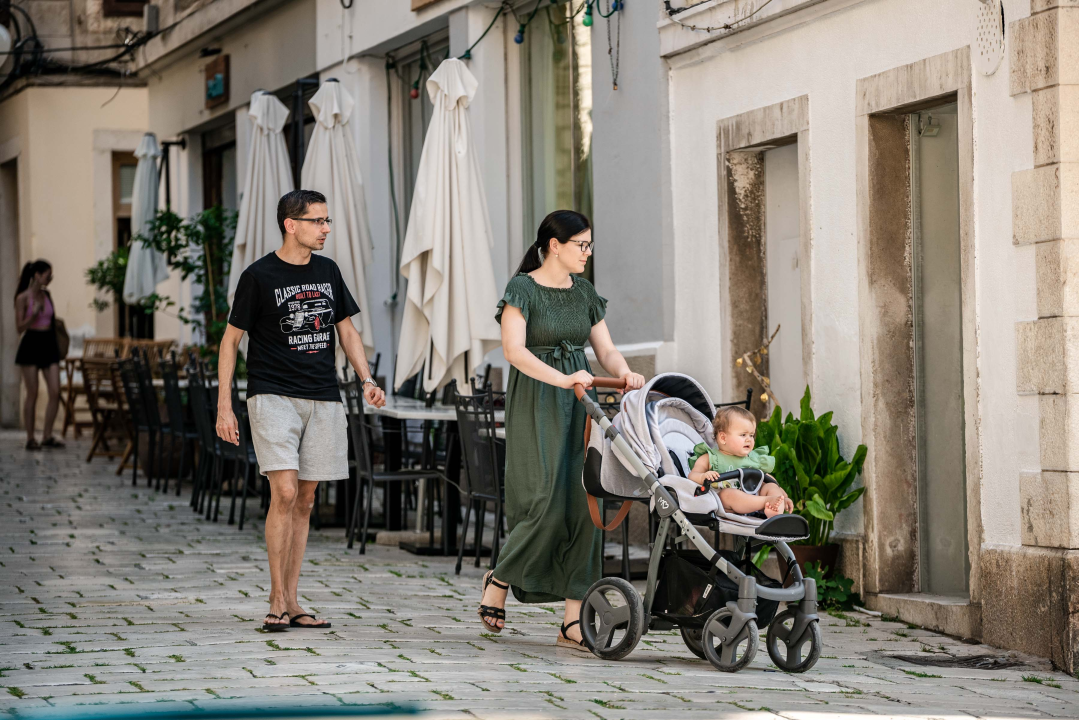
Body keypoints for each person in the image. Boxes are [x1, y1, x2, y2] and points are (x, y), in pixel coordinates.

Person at [216, 189, 385, 632]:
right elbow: (230, 341)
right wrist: (224, 406)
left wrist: (366, 379)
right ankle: (275, 598)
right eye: (317, 221)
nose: (326, 228)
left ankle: (293, 599)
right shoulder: (258, 276)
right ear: (291, 224)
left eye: (327, 221)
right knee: (285, 493)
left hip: (323, 396)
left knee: (306, 500)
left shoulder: (328, 271)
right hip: (271, 394)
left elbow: (345, 330)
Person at [479, 210, 645, 652]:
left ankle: (573, 620)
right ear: (555, 245)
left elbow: (605, 349)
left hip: (582, 404)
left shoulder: (584, 293)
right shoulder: (523, 289)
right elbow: (513, 351)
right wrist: (563, 379)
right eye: (581, 245)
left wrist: (626, 372)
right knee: (544, 501)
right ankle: (500, 578)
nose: (588, 253)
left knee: (585, 504)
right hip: (537, 401)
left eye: (590, 245)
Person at [687, 405, 793, 517]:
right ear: (723, 438)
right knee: (728, 495)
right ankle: (765, 502)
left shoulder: (752, 458)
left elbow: (765, 477)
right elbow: (692, 475)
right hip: (725, 504)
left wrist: (781, 494)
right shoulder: (710, 458)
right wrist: (703, 476)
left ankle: (775, 512)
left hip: (753, 498)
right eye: (743, 435)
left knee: (771, 487)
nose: (749, 439)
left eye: (751, 435)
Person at [14, 260, 63, 451]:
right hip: (31, 343)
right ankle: (30, 438)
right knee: (32, 393)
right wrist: (32, 316)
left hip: (48, 343)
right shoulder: (23, 298)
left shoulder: (47, 295)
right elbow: (19, 327)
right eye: (47, 275)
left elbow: (52, 321)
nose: (49, 279)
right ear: (36, 275)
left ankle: (47, 435)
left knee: (55, 391)